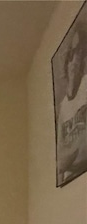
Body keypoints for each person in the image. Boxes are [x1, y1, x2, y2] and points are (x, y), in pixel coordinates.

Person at [56, 24, 87, 185]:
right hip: (70, 178)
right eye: (73, 56)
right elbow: (60, 163)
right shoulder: (63, 107)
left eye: (81, 56)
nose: (76, 63)